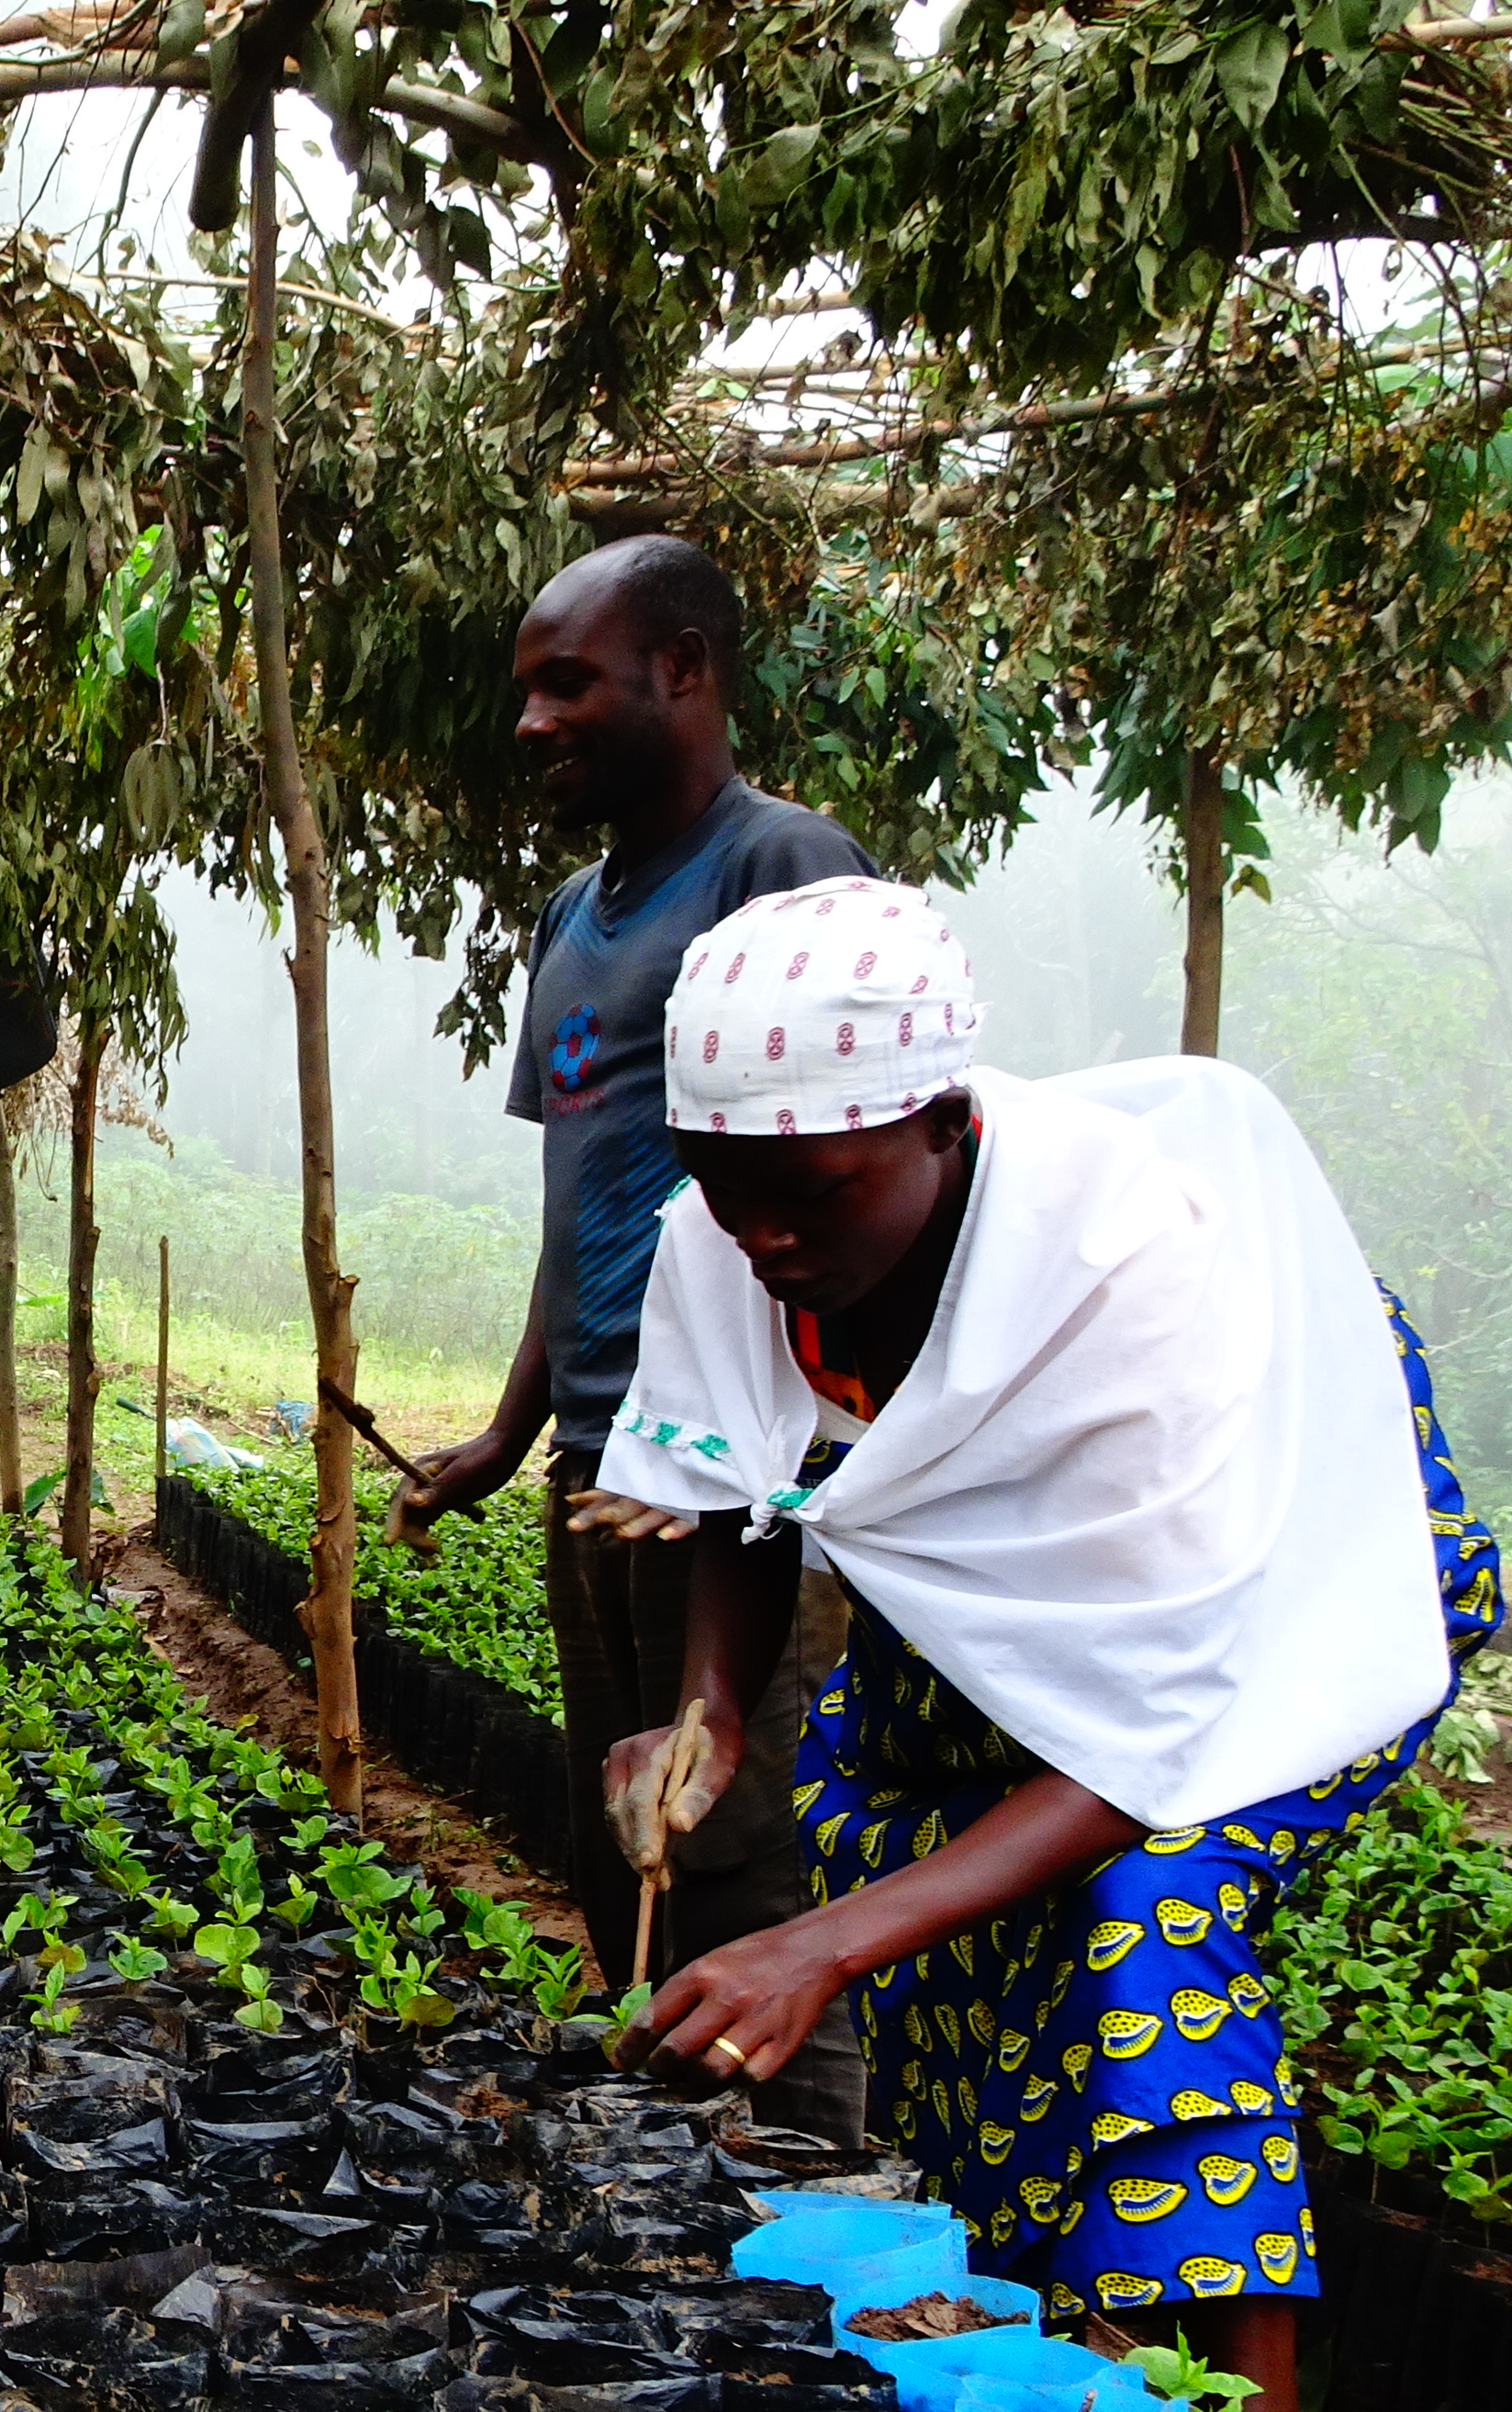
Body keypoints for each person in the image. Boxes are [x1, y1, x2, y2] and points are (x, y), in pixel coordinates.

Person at [583, 885, 1500, 2412]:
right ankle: (1029, 2380)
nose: (761, 1237)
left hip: (1279, 1593)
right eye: (723, 1190)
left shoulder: (1128, 1278)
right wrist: (707, 1720)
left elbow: (1141, 1745)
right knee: (884, 1843)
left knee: (1144, 1915)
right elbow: (736, 1492)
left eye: (805, 1194)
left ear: (938, 1126)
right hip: (996, 1629)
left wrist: (814, 1945)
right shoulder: (727, 1229)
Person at [401, 536, 878, 2136]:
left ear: (683, 668)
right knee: (628, 1831)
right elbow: (584, 1197)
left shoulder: (785, 875)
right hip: (603, 1462)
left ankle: (805, 2188)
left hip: (742, 1473)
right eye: (522, 689)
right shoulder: (570, 919)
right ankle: (668, 2186)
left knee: (746, 1839)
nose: (529, 721)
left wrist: (769, 1445)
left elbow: (864, 1181)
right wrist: (511, 1429)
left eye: (566, 682)